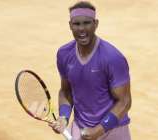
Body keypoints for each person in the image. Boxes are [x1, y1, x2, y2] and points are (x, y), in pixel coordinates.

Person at [49, 1, 132, 140]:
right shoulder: (64, 54)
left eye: (87, 23)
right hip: (81, 128)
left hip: (113, 129)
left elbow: (124, 102)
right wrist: (63, 117)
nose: (82, 29)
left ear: (96, 24)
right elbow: (66, 90)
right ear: (70, 25)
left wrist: (98, 130)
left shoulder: (112, 58)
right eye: (77, 24)